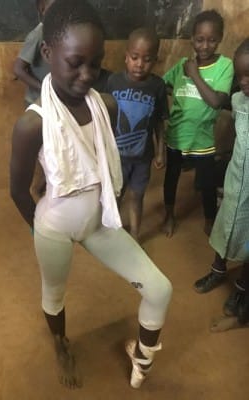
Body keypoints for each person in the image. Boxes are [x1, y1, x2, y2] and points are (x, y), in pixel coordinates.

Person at [10, 0, 172, 390]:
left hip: (101, 220)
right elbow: (18, 191)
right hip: (55, 225)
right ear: (47, 53)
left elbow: (97, 162)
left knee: (160, 289)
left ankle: (143, 357)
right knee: (55, 295)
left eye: (96, 63)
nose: (87, 75)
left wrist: (100, 209)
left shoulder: (107, 104)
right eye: (75, 62)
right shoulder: (32, 124)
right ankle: (60, 343)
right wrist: (42, 231)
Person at [193, 38, 249, 332]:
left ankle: (241, 287)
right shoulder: (239, 101)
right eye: (241, 76)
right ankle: (217, 270)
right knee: (224, 228)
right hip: (236, 181)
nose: (244, 82)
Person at [162, 9, 234, 238]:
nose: (205, 46)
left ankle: (210, 221)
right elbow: (163, 87)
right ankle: (169, 215)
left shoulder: (225, 66)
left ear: (220, 38)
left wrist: (194, 74)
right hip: (176, 135)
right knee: (171, 178)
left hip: (202, 140)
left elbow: (215, 102)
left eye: (212, 40)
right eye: (200, 40)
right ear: (192, 38)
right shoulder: (182, 64)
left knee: (206, 184)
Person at [106, 27, 168, 242]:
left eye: (147, 59)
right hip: (117, 157)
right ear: (126, 57)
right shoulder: (113, 82)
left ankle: (134, 235)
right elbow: (104, 118)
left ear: (155, 61)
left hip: (143, 157)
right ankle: (113, 231)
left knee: (137, 196)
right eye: (135, 57)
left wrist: (160, 152)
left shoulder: (157, 86)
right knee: (116, 195)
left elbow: (160, 122)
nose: (140, 64)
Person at [13, 0, 55, 106]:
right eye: (56, 6)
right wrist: (43, 88)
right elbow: (18, 69)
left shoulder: (61, 33)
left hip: (53, 100)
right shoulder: (38, 35)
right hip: (37, 101)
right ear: (43, 9)